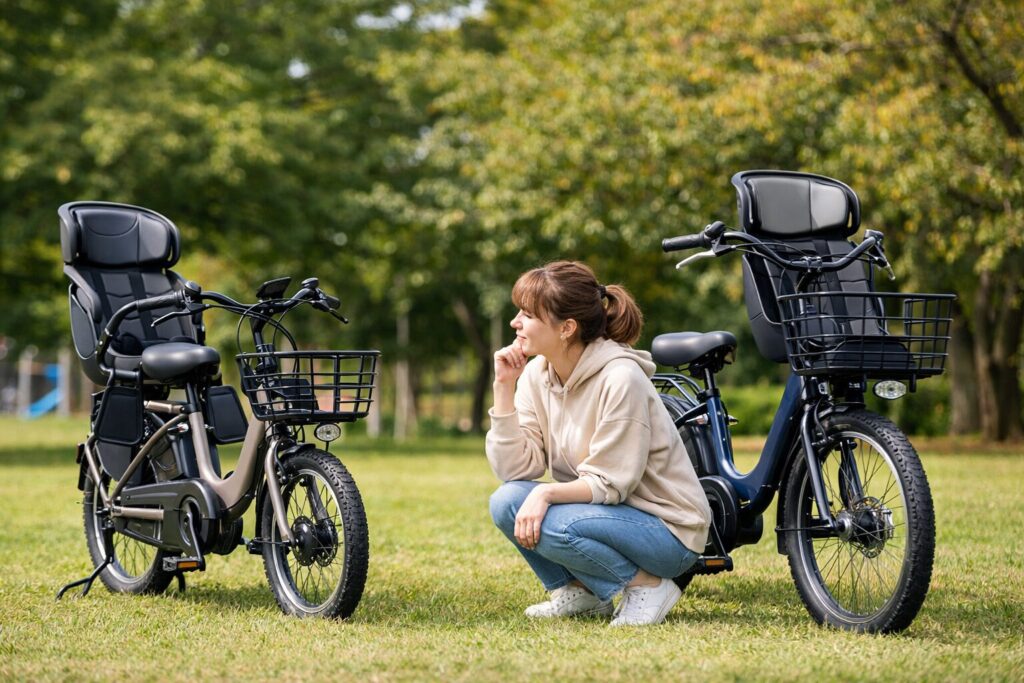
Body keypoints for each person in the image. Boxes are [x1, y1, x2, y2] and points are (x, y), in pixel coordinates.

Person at [486, 261, 712, 627]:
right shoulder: (536, 375)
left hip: (668, 532)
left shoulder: (621, 378)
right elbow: (515, 471)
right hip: (609, 517)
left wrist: (544, 495)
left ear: (567, 328)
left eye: (527, 314)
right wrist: (504, 389)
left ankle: (648, 586)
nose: (515, 322)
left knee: (548, 518)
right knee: (506, 502)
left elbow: (610, 483)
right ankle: (583, 593)